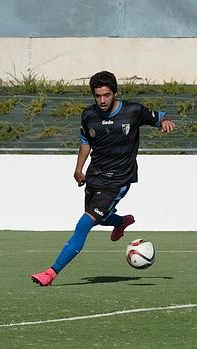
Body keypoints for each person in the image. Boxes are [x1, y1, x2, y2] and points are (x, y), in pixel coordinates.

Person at [30, 70, 175, 286]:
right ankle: (122, 221)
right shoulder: (89, 115)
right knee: (102, 217)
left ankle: (51, 273)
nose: (102, 100)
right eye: (97, 96)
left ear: (114, 93)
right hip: (95, 177)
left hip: (118, 181)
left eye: (106, 95)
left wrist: (164, 122)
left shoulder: (132, 111)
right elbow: (85, 141)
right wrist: (79, 169)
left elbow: (160, 117)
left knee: (84, 224)